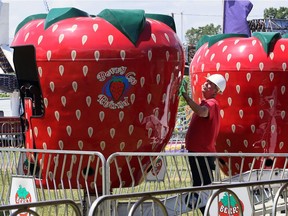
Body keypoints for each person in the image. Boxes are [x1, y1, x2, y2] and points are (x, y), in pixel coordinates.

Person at [181, 74, 226, 214]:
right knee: (201, 187)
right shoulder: (207, 103)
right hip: (199, 152)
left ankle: (210, 212)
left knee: (203, 188)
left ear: (215, 90)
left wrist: (187, 98)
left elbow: (202, 113)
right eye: (206, 82)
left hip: (201, 153)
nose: (205, 84)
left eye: (210, 84)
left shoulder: (211, 104)